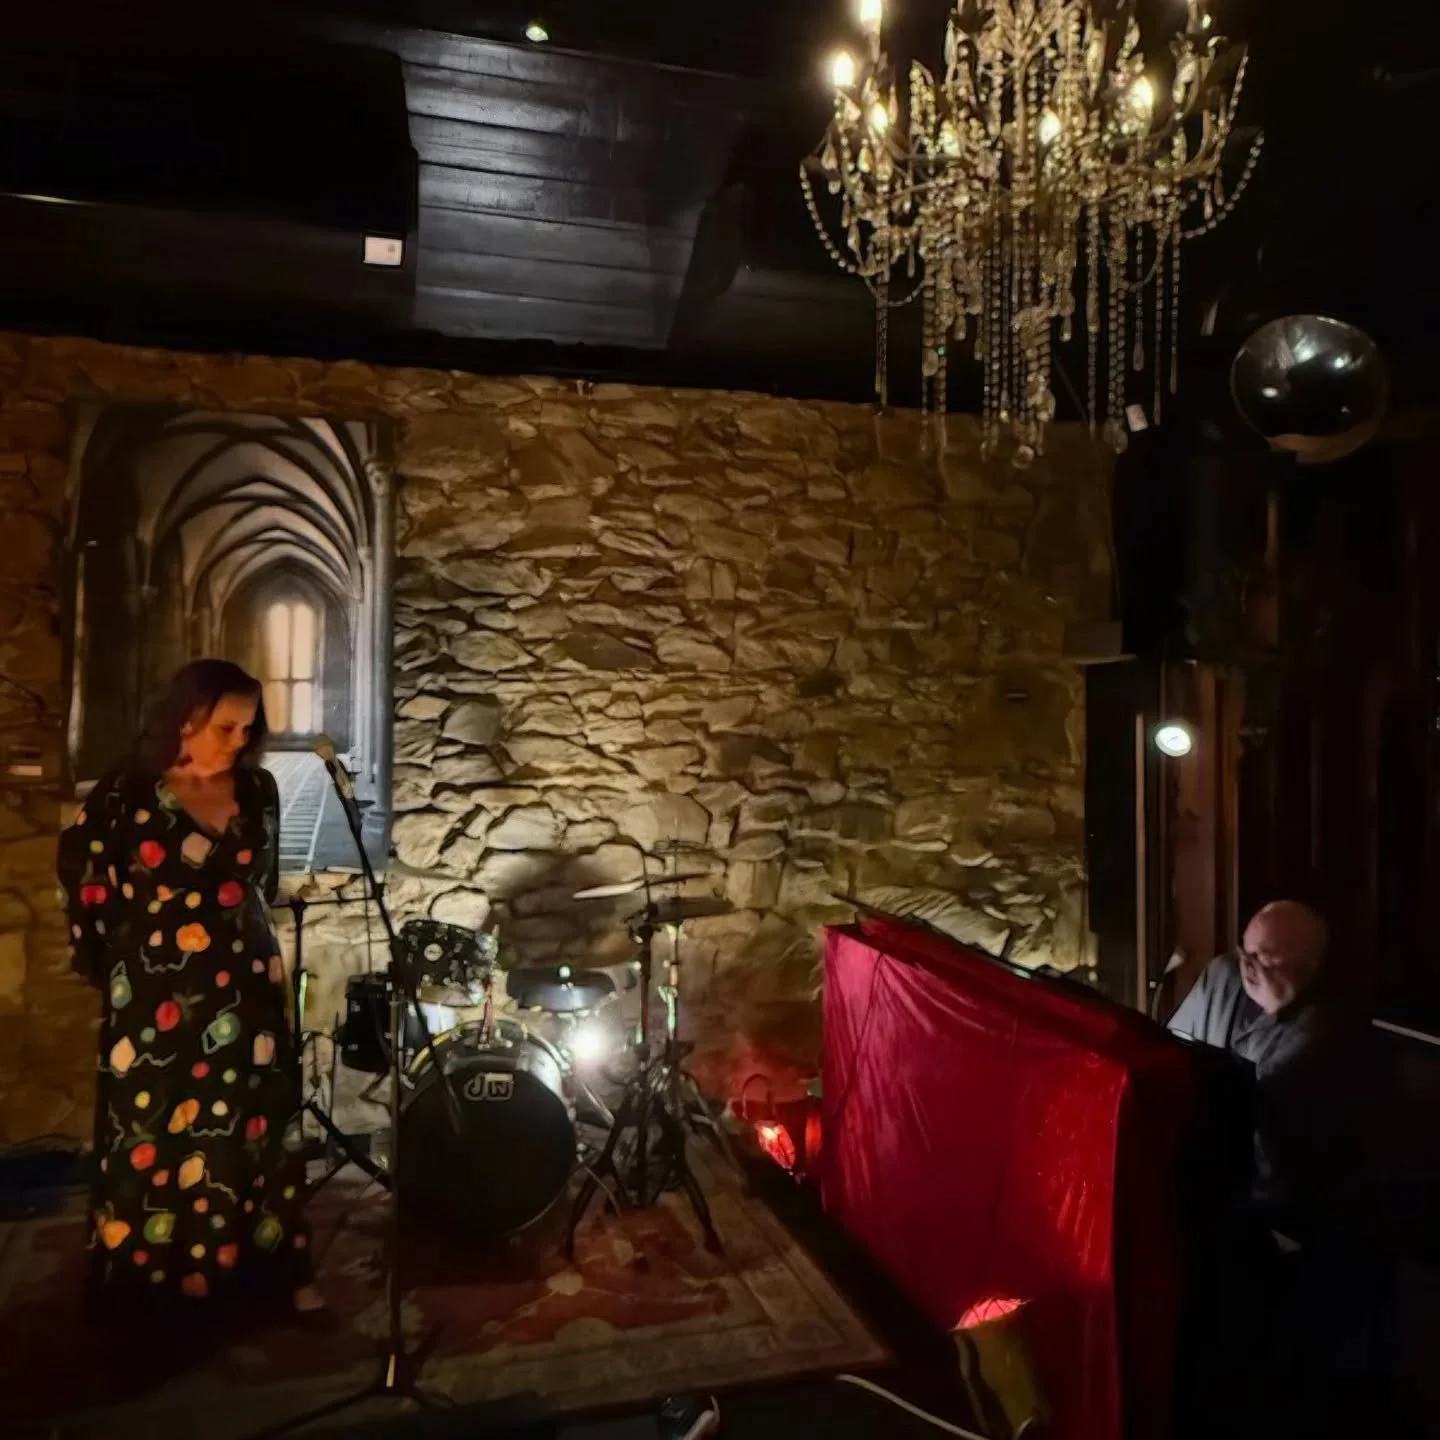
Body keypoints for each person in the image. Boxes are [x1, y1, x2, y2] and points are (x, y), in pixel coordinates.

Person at [58, 659, 324, 1316]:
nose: (241, 738)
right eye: (226, 725)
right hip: (156, 995)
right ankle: (155, 1275)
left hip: (247, 986)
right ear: (185, 719)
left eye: (249, 727)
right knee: (154, 1124)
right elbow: (85, 880)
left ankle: (257, 1265)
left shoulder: (258, 789)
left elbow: (262, 882)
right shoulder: (127, 793)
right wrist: (113, 965)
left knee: (251, 1122)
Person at [1167, 899, 1351, 1230]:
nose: (1247, 966)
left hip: (1261, 1204)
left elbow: (1265, 1151)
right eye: (1244, 952)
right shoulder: (1224, 977)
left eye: (1263, 959)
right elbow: (1170, 1052)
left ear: (1307, 968)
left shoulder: (1319, 1035)